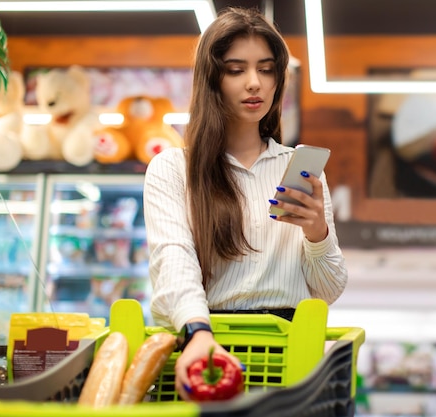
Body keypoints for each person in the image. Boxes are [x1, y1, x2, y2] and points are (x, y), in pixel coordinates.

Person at [143, 7, 347, 400]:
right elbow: (173, 260)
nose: (255, 83)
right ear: (212, 79)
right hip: (201, 348)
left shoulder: (299, 170)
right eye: (236, 70)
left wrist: (317, 233)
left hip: (289, 358)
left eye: (266, 69)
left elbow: (327, 290)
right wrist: (197, 331)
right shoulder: (173, 169)